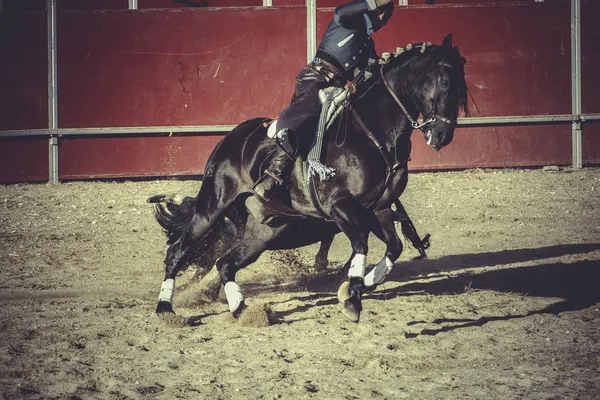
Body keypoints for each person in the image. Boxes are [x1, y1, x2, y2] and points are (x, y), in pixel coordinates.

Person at [253, 0, 395, 201]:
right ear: (380, 14)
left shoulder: (367, 44)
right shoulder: (350, 20)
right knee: (307, 113)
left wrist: (383, 65)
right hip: (315, 79)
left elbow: (366, 75)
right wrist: (374, 2)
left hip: (336, 90)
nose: (386, 23)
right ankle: (274, 173)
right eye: (387, 17)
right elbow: (339, 12)